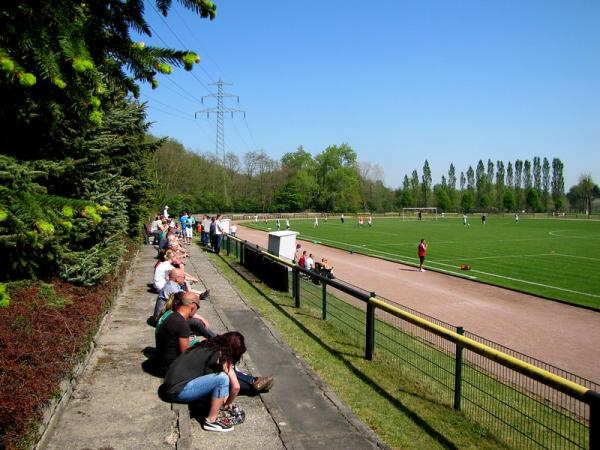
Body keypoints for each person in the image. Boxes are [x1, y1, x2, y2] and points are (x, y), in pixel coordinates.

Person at [160, 332, 274, 432]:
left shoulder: (206, 344)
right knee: (223, 378)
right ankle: (211, 421)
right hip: (177, 391)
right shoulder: (221, 356)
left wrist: (223, 399)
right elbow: (236, 387)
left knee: (219, 380)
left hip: (169, 386)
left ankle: (252, 382)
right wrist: (228, 403)